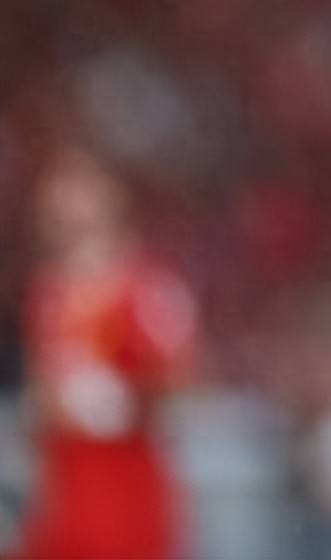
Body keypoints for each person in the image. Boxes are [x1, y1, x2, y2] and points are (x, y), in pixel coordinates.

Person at [13, 148, 198, 560]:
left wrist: (119, 402)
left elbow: (180, 380)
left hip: (126, 497)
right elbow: (45, 391)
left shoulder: (147, 290)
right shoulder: (48, 296)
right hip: (66, 496)